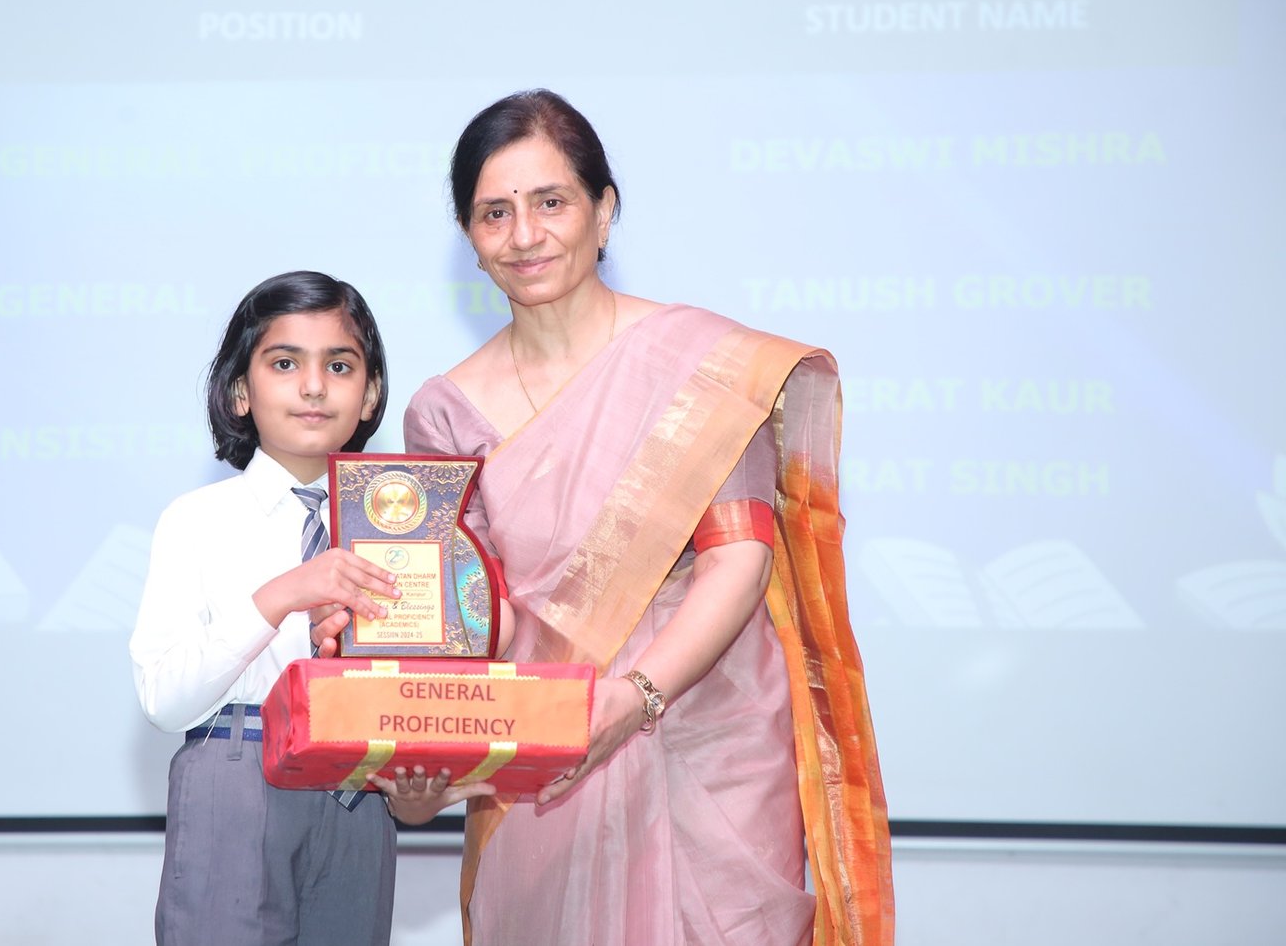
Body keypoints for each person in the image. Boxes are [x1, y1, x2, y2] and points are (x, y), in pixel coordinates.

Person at [322, 91, 895, 944]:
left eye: (551, 202)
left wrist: (634, 696)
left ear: (604, 211)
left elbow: (739, 559)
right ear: (470, 237)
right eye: (494, 213)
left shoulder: (703, 367)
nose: (525, 234)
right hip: (544, 753)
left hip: (708, 738)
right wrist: (412, 709)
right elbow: (477, 616)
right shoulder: (445, 411)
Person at [130, 270, 482, 946]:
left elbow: (420, 693)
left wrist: (417, 788)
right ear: (240, 391)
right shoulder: (196, 519)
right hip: (236, 772)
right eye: (285, 363)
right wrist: (285, 593)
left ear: (370, 393)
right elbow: (163, 699)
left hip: (358, 796)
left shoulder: (403, 526)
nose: (314, 386)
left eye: (340, 365)